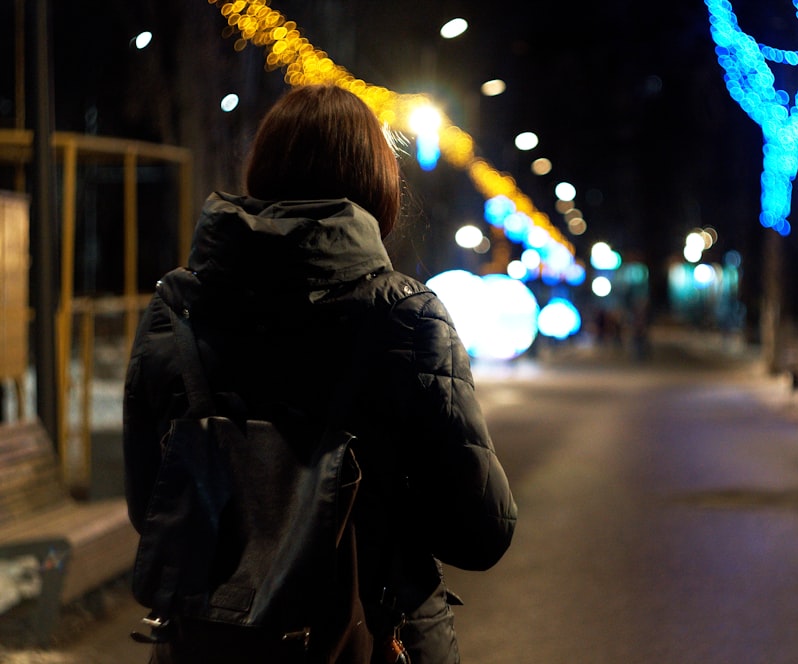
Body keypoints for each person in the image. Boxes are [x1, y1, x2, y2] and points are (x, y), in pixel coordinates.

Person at [123, 84, 517, 663]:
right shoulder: (408, 319)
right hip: (372, 641)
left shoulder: (176, 312)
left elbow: (148, 504)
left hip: (208, 646)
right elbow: (481, 533)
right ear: (378, 185)